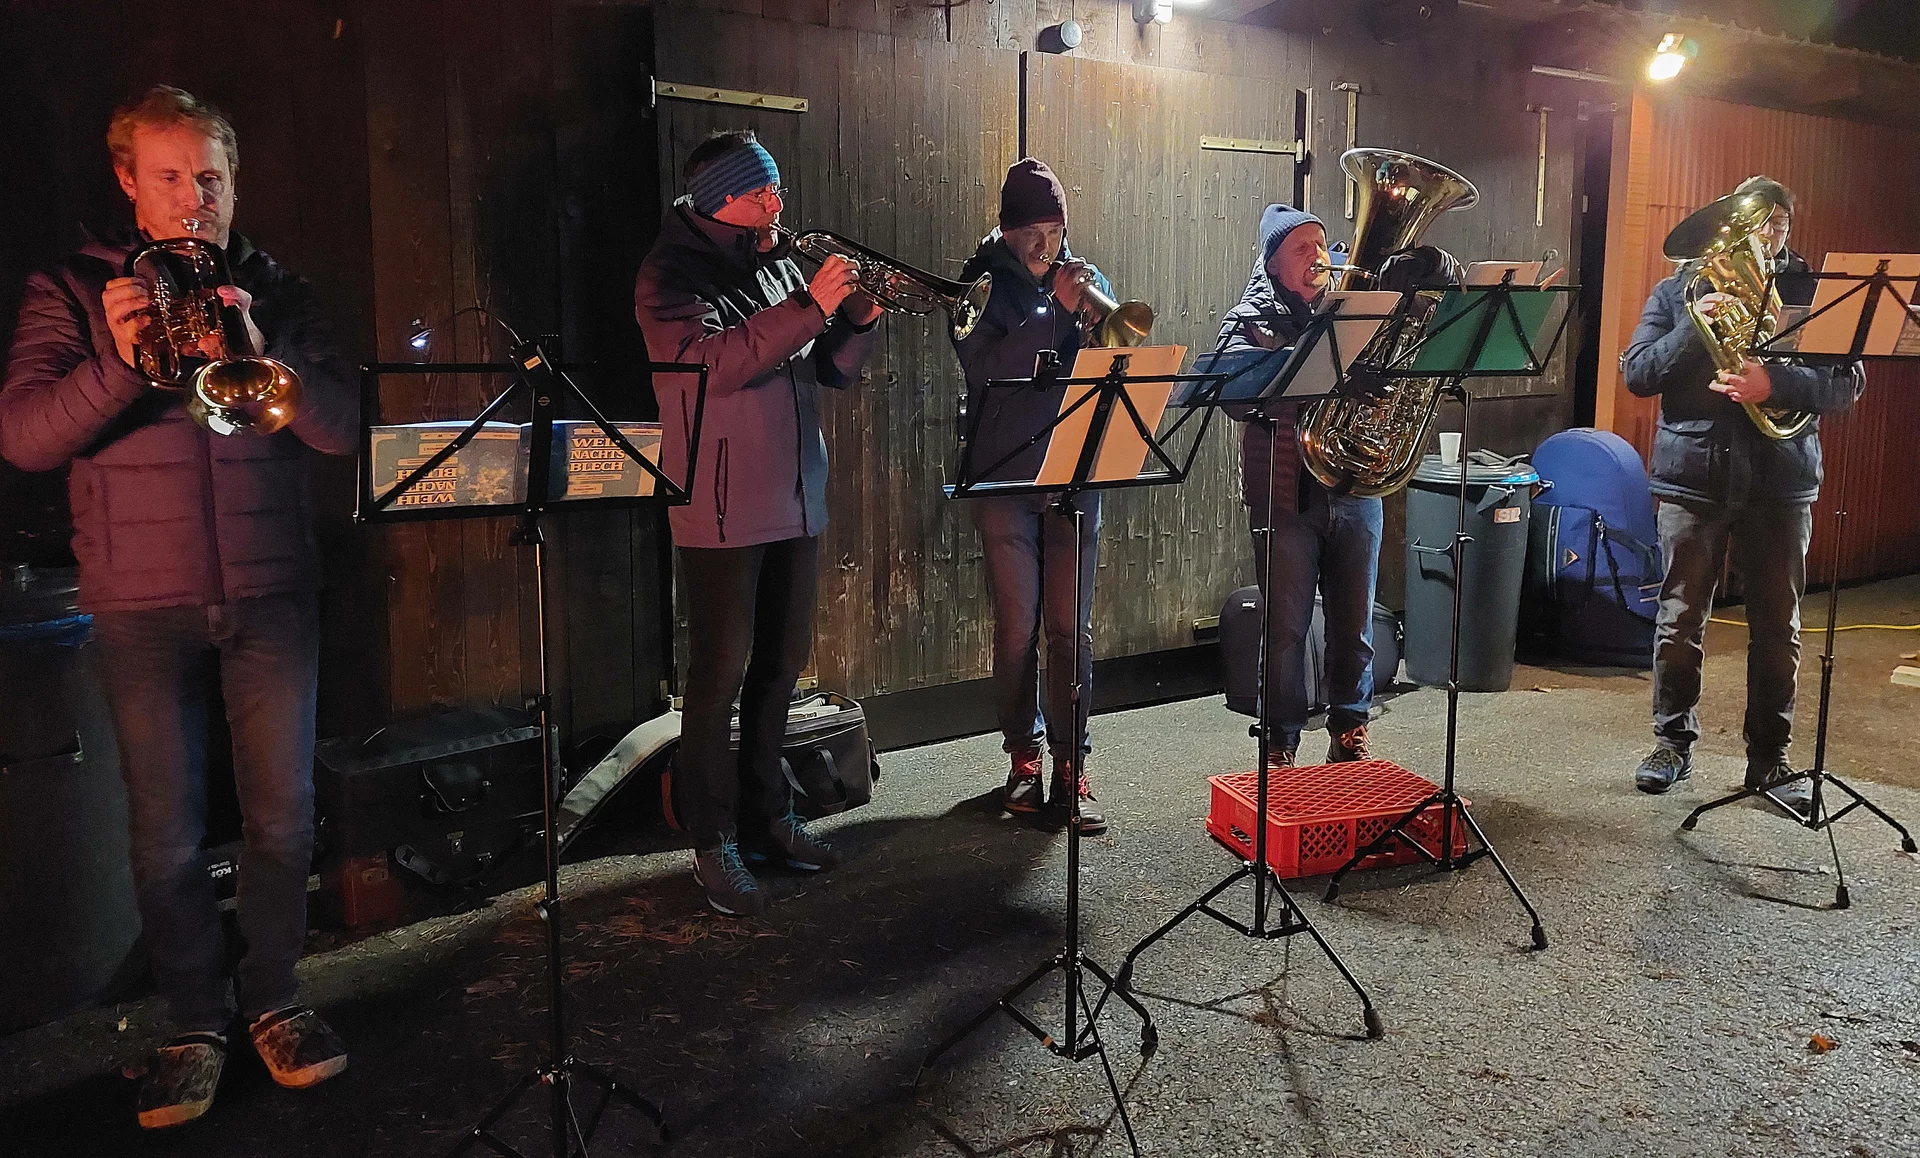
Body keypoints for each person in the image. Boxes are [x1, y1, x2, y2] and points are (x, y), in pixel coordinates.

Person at [0, 86, 359, 1129]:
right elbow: (25, 438)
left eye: (210, 177)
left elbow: (341, 427)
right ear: (129, 183)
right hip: (140, 599)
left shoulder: (280, 291)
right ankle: (193, 1022)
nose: (193, 197)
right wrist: (120, 363)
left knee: (283, 817)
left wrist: (265, 348)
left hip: (271, 588)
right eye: (169, 176)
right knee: (165, 833)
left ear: (234, 183)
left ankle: (275, 999)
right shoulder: (72, 290)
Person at [635, 130, 881, 917]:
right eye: (760, 192)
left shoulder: (773, 258)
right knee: (718, 678)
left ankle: (770, 820)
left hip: (795, 494)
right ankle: (712, 843)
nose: (778, 202)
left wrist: (858, 319)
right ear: (720, 201)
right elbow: (715, 365)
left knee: (780, 668)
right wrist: (813, 305)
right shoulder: (669, 274)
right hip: (720, 504)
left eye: (776, 187)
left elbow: (828, 371)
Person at [1623, 175, 1863, 808]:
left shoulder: (1813, 294)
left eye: (1779, 223)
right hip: (1694, 477)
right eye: (1757, 221)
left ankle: (1770, 761)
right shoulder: (1678, 290)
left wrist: (1773, 384)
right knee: (1679, 621)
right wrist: (1691, 326)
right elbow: (1638, 373)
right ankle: (1671, 743)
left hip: (1780, 479)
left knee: (1778, 627)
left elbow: (1846, 383)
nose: (1767, 233)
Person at [1210, 205, 1417, 769]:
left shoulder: (1356, 306)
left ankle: (1351, 727)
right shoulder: (1252, 317)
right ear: (1273, 264)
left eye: (1321, 244)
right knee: (1285, 631)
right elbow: (1232, 390)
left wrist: (1422, 282)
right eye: (1301, 249)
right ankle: (1280, 741)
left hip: (1356, 483)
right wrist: (1322, 371)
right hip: (1286, 493)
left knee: (1355, 625)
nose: (1318, 256)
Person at [950, 158, 1113, 832]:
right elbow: (984, 367)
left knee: (1071, 628)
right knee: (1018, 628)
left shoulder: (1084, 278)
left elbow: (1111, 362)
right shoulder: (979, 285)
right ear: (1007, 231)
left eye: (1057, 231)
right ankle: (1024, 758)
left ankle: (1073, 765)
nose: (1048, 247)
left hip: (1074, 472)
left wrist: (1091, 320)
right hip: (1006, 475)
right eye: (1034, 235)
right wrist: (1055, 314)